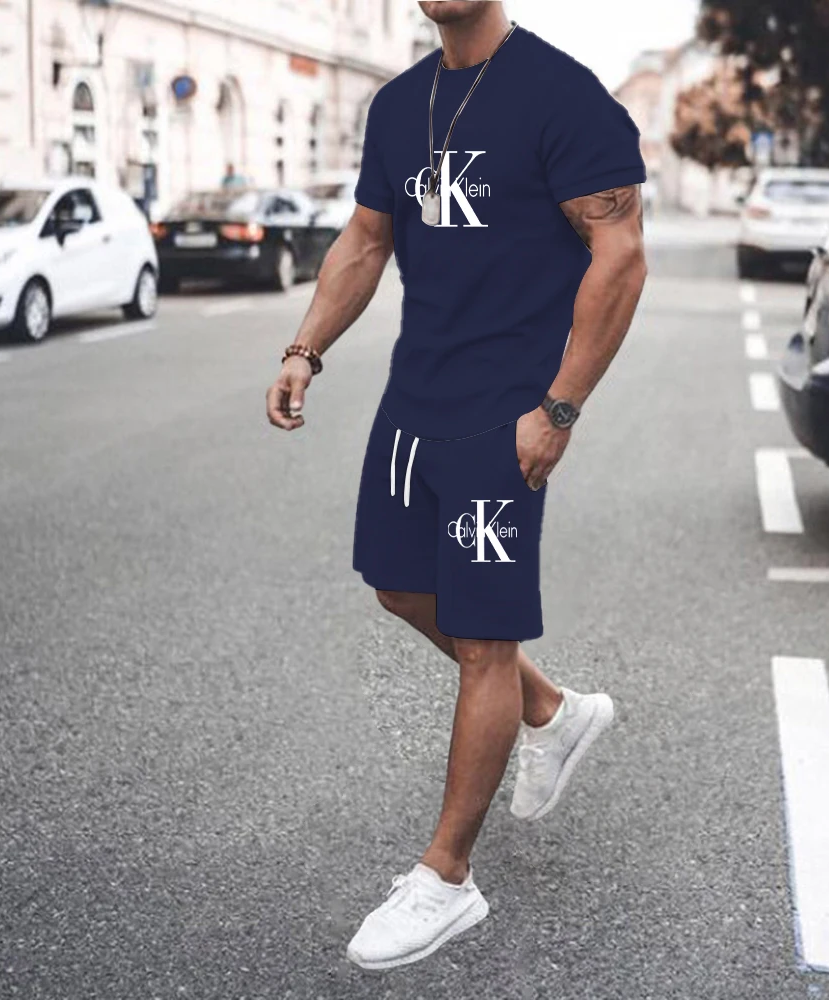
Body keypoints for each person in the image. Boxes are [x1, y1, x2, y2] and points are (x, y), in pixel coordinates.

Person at [266, 0, 647, 970]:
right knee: (399, 587)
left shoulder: (562, 96)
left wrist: (559, 407)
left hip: (505, 412)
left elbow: (620, 254)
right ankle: (552, 711)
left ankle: (446, 877)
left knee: (484, 638)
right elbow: (365, 240)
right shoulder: (399, 104)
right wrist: (306, 348)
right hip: (414, 400)